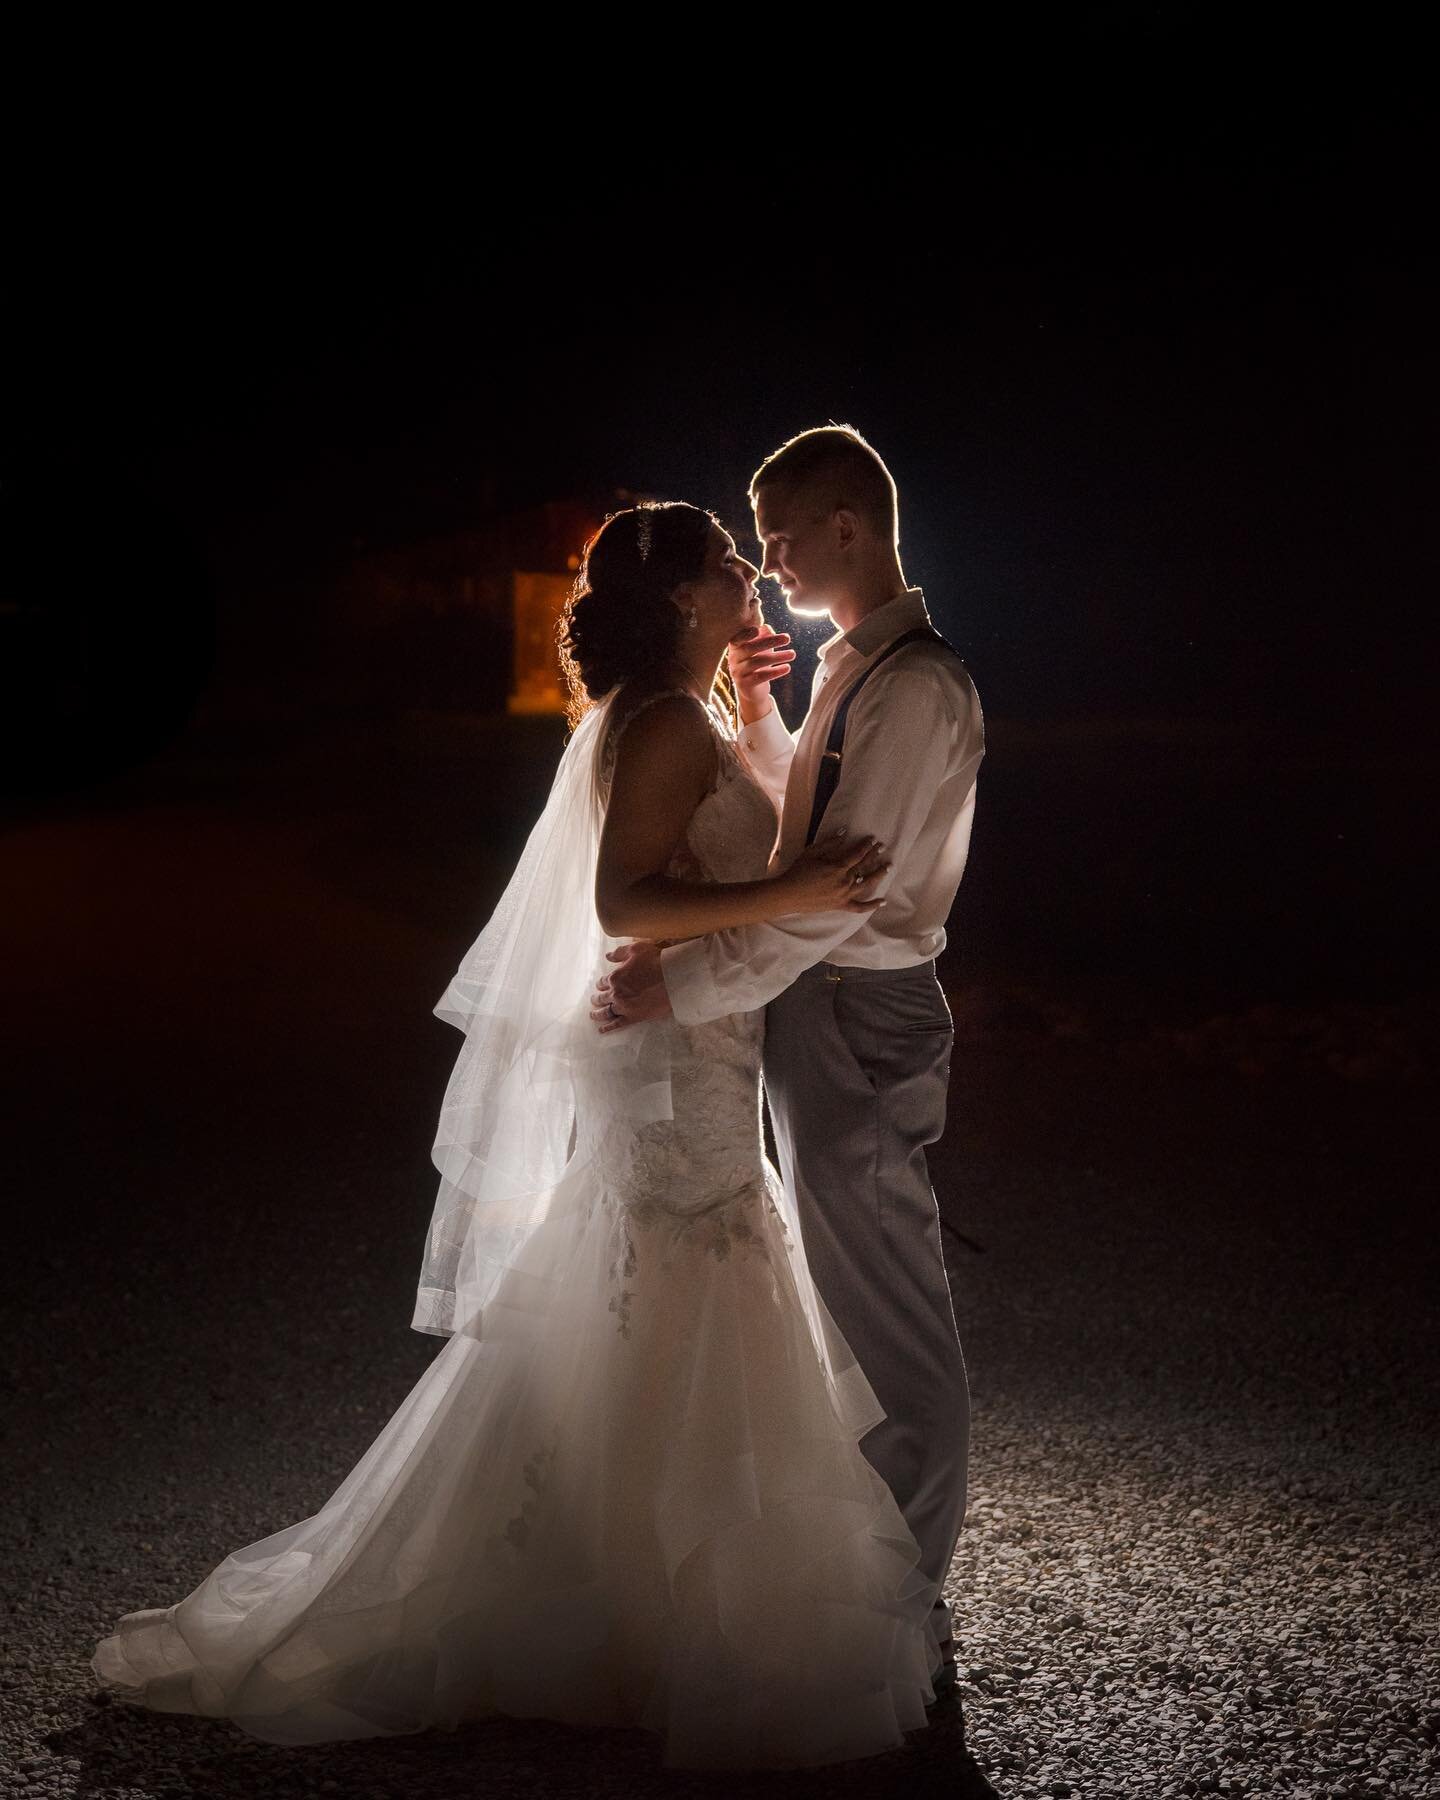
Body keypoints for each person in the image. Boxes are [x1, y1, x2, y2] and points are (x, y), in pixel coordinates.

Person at [89, 499, 953, 1772]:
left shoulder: (689, 715)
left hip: (693, 1049)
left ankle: (625, 1596)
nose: (751, 572)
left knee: (681, 1279)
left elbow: (729, 844)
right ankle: (649, 1607)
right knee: (687, 1266)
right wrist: (804, 890)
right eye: (727, 563)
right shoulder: (660, 724)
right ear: (675, 601)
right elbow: (628, 896)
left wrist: (760, 717)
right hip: (669, 1059)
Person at [593, 427, 986, 1701]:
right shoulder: (848, 670)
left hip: (860, 1012)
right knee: (843, 1309)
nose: (762, 562)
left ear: (847, 527)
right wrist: (762, 708)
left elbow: (837, 901)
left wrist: (687, 979)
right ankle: (862, 1578)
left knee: (889, 1318)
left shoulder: (913, 685)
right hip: (815, 1010)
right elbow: (789, 843)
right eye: (744, 544)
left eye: (775, 533)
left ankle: (898, 1612)